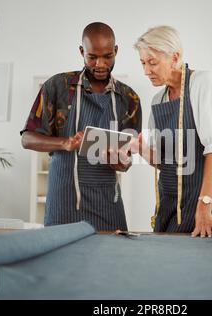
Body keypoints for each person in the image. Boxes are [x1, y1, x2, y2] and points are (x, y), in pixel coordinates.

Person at [21, 22, 142, 230]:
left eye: (107, 56)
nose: (100, 64)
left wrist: (120, 162)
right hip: (63, 203)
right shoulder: (57, 86)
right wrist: (65, 143)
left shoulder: (129, 99)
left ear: (116, 51)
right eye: (92, 57)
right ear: (81, 52)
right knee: (62, 261)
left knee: (111, 260)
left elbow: (129, 159)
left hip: (107, 204)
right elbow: (27, 138)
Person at [133, 26, 212, 237]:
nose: (146, 71)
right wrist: (138, 147)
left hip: (200, 193)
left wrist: (204, 206)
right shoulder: (158, 100)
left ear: (175, 57)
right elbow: (162, 160)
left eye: (152, 63)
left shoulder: (201, 82)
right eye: (143, 63)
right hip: (168, 196)